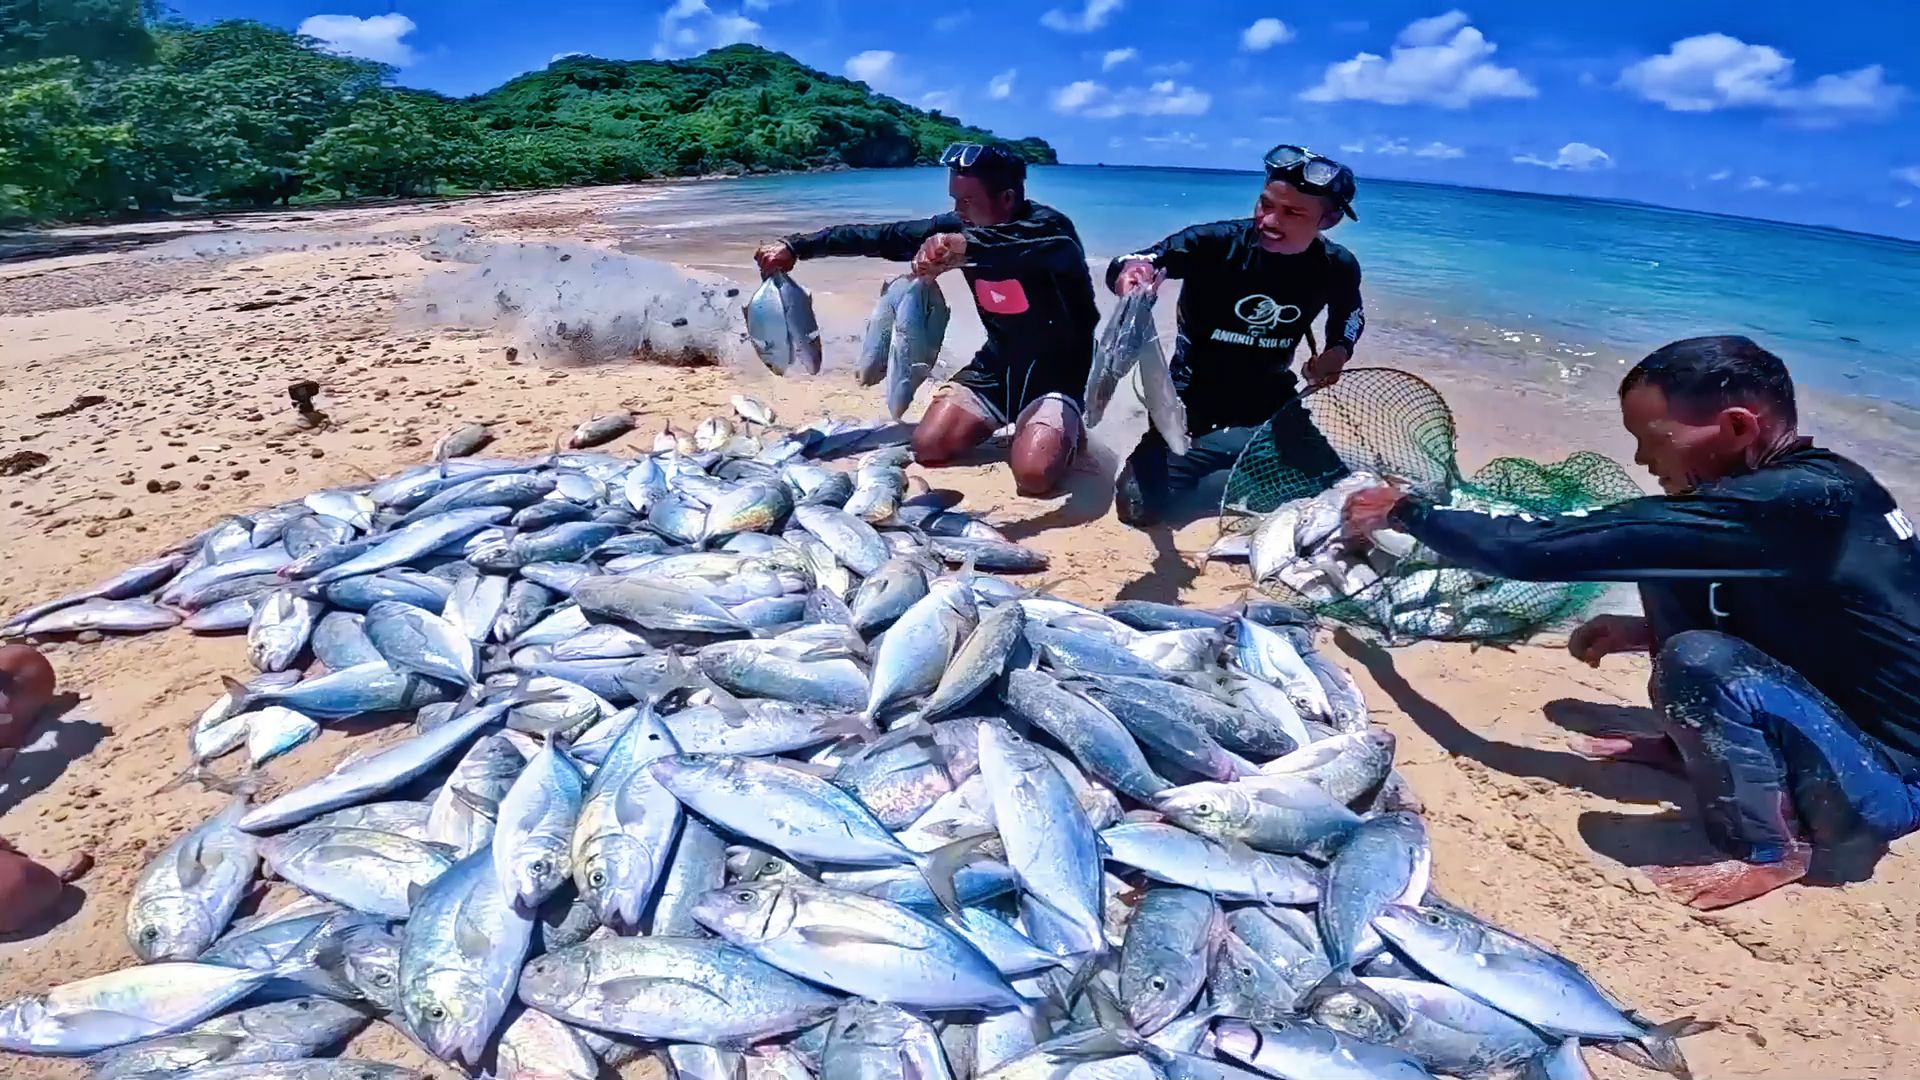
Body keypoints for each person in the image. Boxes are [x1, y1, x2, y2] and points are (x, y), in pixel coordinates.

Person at [1344, 336, 1920, 909]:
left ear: (1740, 428)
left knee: (1698, 657)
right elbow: (1837, 616)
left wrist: (1403, 511)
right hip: (1836, 722)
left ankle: (1767, 846)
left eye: (1653, 440)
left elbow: (1531, 551)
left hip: (1883, 780)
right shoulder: (1817, 487)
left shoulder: (1791, 504)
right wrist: (1645, 631)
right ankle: (1694, 749)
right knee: (1665, 554)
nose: (1643, 461)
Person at [756, 143, 1099, 496]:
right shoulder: (956, 227)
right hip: (998, 367)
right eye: (954, 199)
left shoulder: (1051, 232)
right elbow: (880, 237)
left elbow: (1010, 245)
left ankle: (1068, 431)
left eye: (967, 201)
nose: (957, 210)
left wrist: (960, 246)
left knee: (1034, 477)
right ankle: (1017, 422)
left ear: (1007, 198)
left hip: (1058, 374)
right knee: (929, 447)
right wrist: (797, 246)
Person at [1107, 144, 1365, 526]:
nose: (1270, 221)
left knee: (1341, 500)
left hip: (1270, 402)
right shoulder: (1215, 244)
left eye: (1292, 212)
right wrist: (1134, 273)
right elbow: (1146, 259)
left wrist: (1336, 354)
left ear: (1327, 221)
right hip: (1188, 400)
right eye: (1265, 204)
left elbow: (1350, 316)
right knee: (1137, 508)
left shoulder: (1336, 265)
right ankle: (1232, 452)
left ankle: (1238, 450)